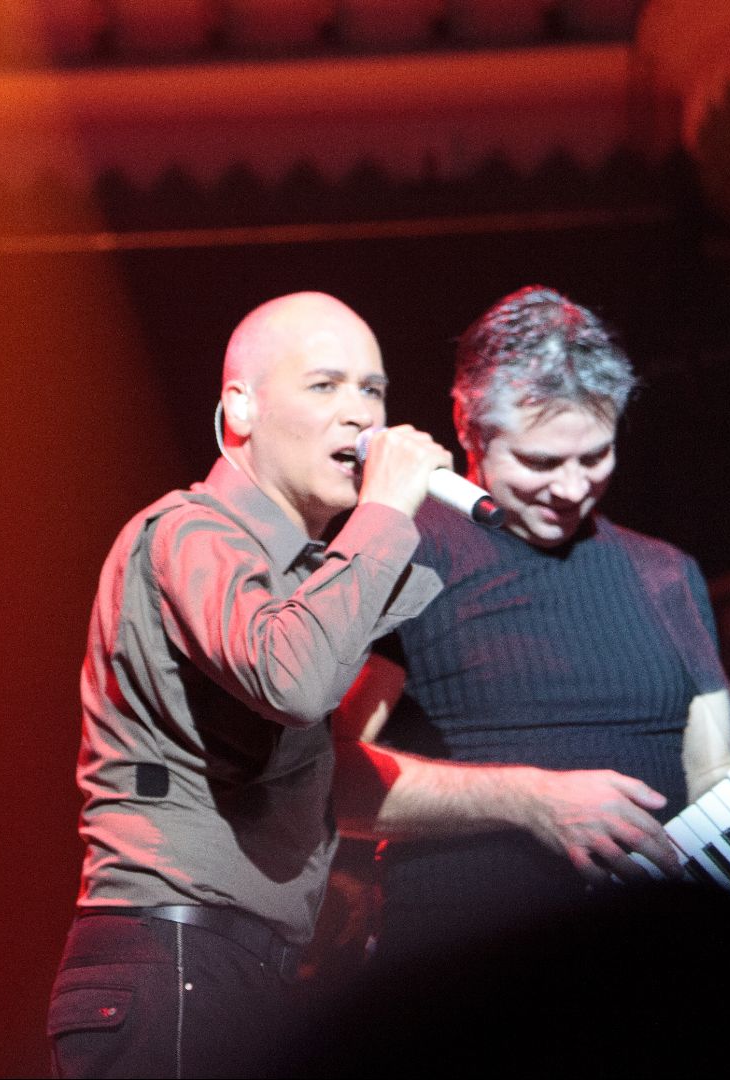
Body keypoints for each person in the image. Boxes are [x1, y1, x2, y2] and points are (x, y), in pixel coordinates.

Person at [340, 285, 730, 962]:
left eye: (594, 456)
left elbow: (714, 778)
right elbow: (330, 784)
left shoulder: (665, 572)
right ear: (468, 428)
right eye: (540, 462)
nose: (571, 488)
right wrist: (529, 799)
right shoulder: (404, 550)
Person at [49, 291, 459, 1078]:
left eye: (372, 390)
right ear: (239, 406)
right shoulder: (189, 529)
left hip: (236, 967)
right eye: (325, 386)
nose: (359, 416)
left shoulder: (312, 576)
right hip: (173, 955)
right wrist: (382, 517)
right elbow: (294, 678)